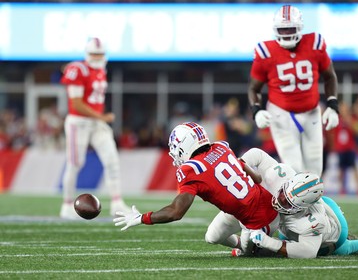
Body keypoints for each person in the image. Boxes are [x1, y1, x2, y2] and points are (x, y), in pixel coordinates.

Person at [113, 122, 280, 252]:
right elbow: (256, 177)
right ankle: (247, 242)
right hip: (252, 203)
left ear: (184, 146)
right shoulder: (221, 146)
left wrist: (143, 218)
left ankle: (275, 243)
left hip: (261, 219)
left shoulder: (190, 169)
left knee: (251, 250)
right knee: (211, 236)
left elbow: (175, 212)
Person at [234, 148, 358, 258]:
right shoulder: (284, 174)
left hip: (335, 232)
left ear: (302, 207)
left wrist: (269, 243)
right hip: (313, 209)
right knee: (279, 239)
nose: (279, 202)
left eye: (287, 203)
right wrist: (240, 165)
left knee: (344, 248)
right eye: (282, 194)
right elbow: (257, 154)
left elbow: (307, 253)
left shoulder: (314, 222)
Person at [248, 4, 339, 176]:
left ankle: (311, 203)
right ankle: (294, 201)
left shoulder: (314, 44)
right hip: (281, 113)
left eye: (290, 28)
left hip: (311, 111)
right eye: (282, 30)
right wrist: (256, 111)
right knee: (294, 167)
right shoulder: (265, 51)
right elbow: (254, 88)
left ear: (299, 27)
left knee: (315, 170)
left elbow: (330, 76)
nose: (286, 33)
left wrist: (333, 105)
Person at [59, 37, 131, 219]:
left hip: (96, 123)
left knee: (112, 160)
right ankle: (67, 205)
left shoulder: (101, 70)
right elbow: (76, 103)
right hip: (79, 121)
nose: (97, 58)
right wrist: (102, 117)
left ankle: (116, 203)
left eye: (100, 54)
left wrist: (99, 118)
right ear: (87, 54)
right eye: (94, 54)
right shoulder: (78, 69)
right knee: (75, 163)